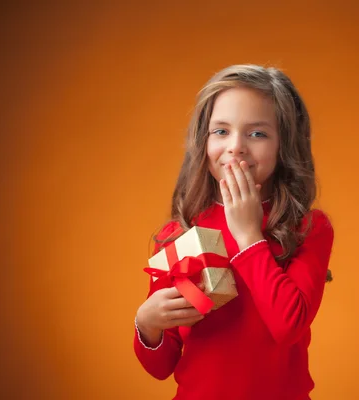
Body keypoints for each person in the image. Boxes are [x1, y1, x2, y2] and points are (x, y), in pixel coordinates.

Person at [133, 64, 334, 399]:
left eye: (258, 133)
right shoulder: (177, 233)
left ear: (285, 145)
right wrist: (147, 324)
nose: (237, 147)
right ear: (203, 140)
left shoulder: (308, 228)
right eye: (221, 131)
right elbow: (160, 367)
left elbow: (289, 326)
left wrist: (248, 235)